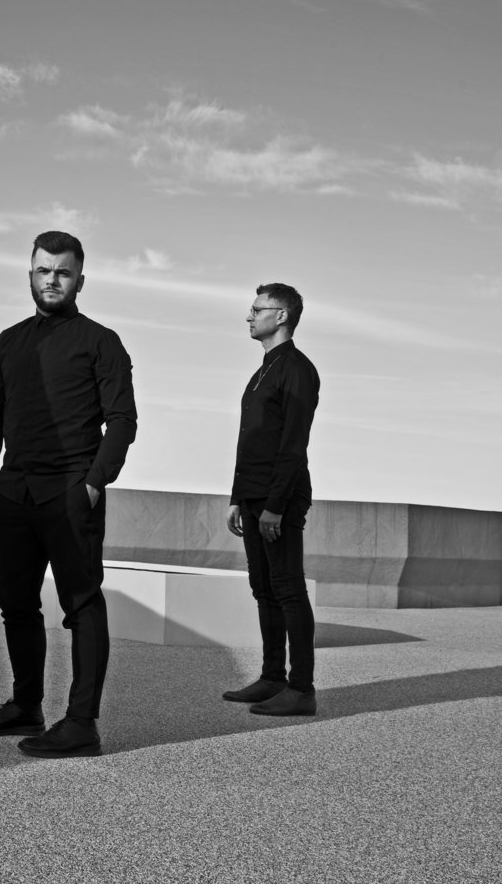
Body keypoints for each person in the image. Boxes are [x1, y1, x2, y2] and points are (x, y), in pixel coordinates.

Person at [0, 231, 137, 758]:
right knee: (15, 603)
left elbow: (122, 420)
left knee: (82, 605)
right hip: (13, 493)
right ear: (30, 276)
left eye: (63, 272)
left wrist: (93, 483)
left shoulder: (101, 342)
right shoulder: (8, 340)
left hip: (69, 493)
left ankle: (82, 723)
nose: (52, 280)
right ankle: (26, 705)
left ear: (80, 281)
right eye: (44, 270)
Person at [222, 283, 321, 716]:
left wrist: (275, 506)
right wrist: (237, 496)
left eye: (256, 309)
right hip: (253, 495)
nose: (249, 316)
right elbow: (252, 439)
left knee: (288, 589)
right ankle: (272, 677)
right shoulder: (261, 371)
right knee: (263, 589)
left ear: (281, 315)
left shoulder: (297, 370)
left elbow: (293, 443)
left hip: (279, 498)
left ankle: (301, 689)